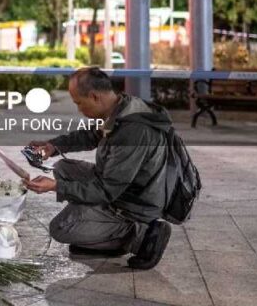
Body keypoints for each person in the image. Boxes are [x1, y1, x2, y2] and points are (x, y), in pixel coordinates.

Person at [23, 67, 173, 270]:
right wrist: (53, 146)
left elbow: (106, 190)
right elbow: (91, 135)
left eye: (78, 103)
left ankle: (141, 235)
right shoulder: (120, 107)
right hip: (120, 186)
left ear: (94, 97)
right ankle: (97, 224)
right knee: (63, 167)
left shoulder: (133, 131)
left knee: (61, 228)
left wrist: (56, 187)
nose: (78, 110)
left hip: (134, 205)